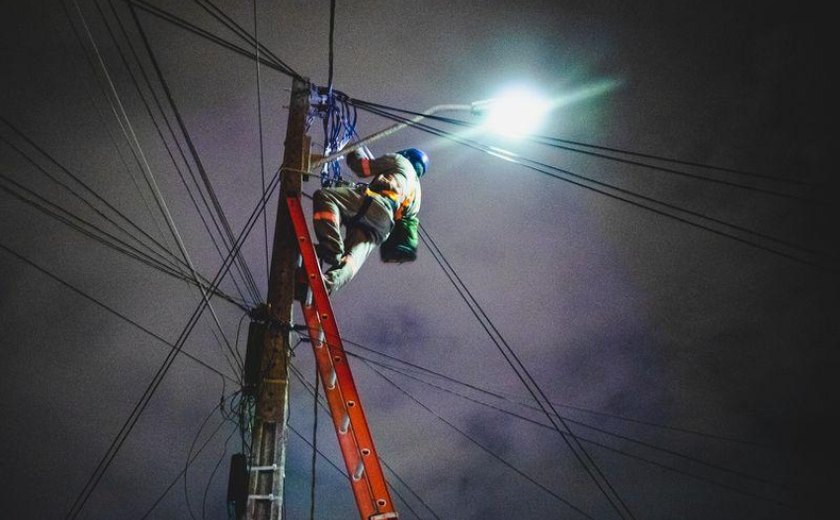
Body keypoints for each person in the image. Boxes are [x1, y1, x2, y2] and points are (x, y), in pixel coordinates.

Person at [312, 146, 429, 294]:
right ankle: (327, 284)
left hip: (374, 205)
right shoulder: (417, 194)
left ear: (407, 155)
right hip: (383, 226)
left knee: (325, 196)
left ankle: (331, 247)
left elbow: (363, 168)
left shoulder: (400, 161)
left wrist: (353, 150)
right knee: (352, 258)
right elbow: (406, 218)